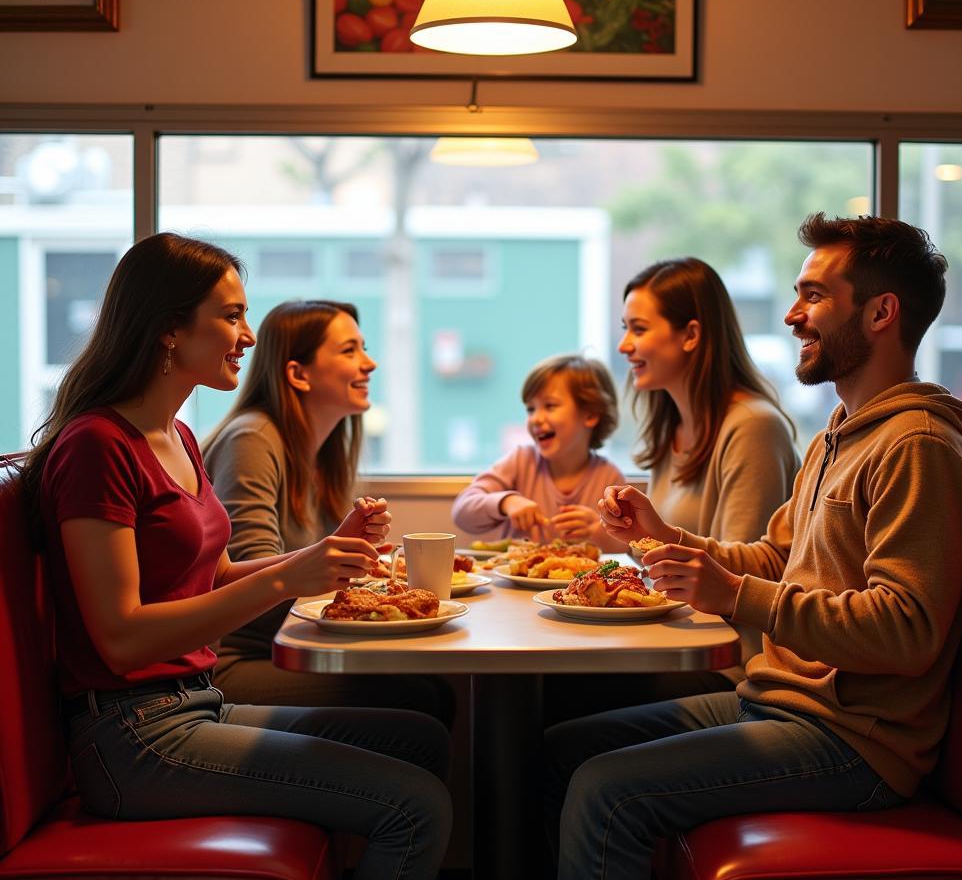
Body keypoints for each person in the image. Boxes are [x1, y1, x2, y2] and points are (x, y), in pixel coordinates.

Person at [540, 214, 962, 880]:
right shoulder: (839, 436)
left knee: (606, 792)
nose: (791, 314)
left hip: (855, 740)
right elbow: (777, 557)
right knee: (561, 749)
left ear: (881, 313)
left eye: (814, 295)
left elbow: (908, 629)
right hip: (781, 702)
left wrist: (737, 595)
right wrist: (666, 538)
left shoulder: (916, 446)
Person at [21, 233, 451, 880]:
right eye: (231, 316)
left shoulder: (177, 434)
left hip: (193, 703)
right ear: (167, 328)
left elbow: (215, 573)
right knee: (416, 808)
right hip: (131, 738)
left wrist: (322, 556)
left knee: (420, 736)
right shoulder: (97, 446)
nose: (247, 336)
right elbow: (121, 639)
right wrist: (291, 578)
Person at [545, 258, 800, 724]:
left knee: (557, 691)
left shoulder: (753, 428)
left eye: (638, 329)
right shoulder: (674, 430)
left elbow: (746, 573)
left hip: (731, 661)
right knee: (548, 677)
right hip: (678, 636)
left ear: (691, 335)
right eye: (624, 328)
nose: (624, 345)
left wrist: (654, 542)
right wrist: (621, 538)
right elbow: (661, 556)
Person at [203, 300, 455, 728]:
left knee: (430, 685)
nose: (370, 363)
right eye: (349, 350)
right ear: (298, 374)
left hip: (283, 643)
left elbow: (314, 571)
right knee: (418, 695)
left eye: (364, 348)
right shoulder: (252, 439)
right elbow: (253, 584)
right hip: (235, 660)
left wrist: (359, 565)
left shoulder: (322, 454)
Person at [452, 353, 627, 553]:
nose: (535, 418)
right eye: (530, 409)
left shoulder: (610, 478)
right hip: (516, 583)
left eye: (549, 406)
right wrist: (506, 502)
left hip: (581, 583)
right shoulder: (521, 461)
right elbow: (462, 511)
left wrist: (596, 530)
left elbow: (627, 547)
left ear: (591, 415)